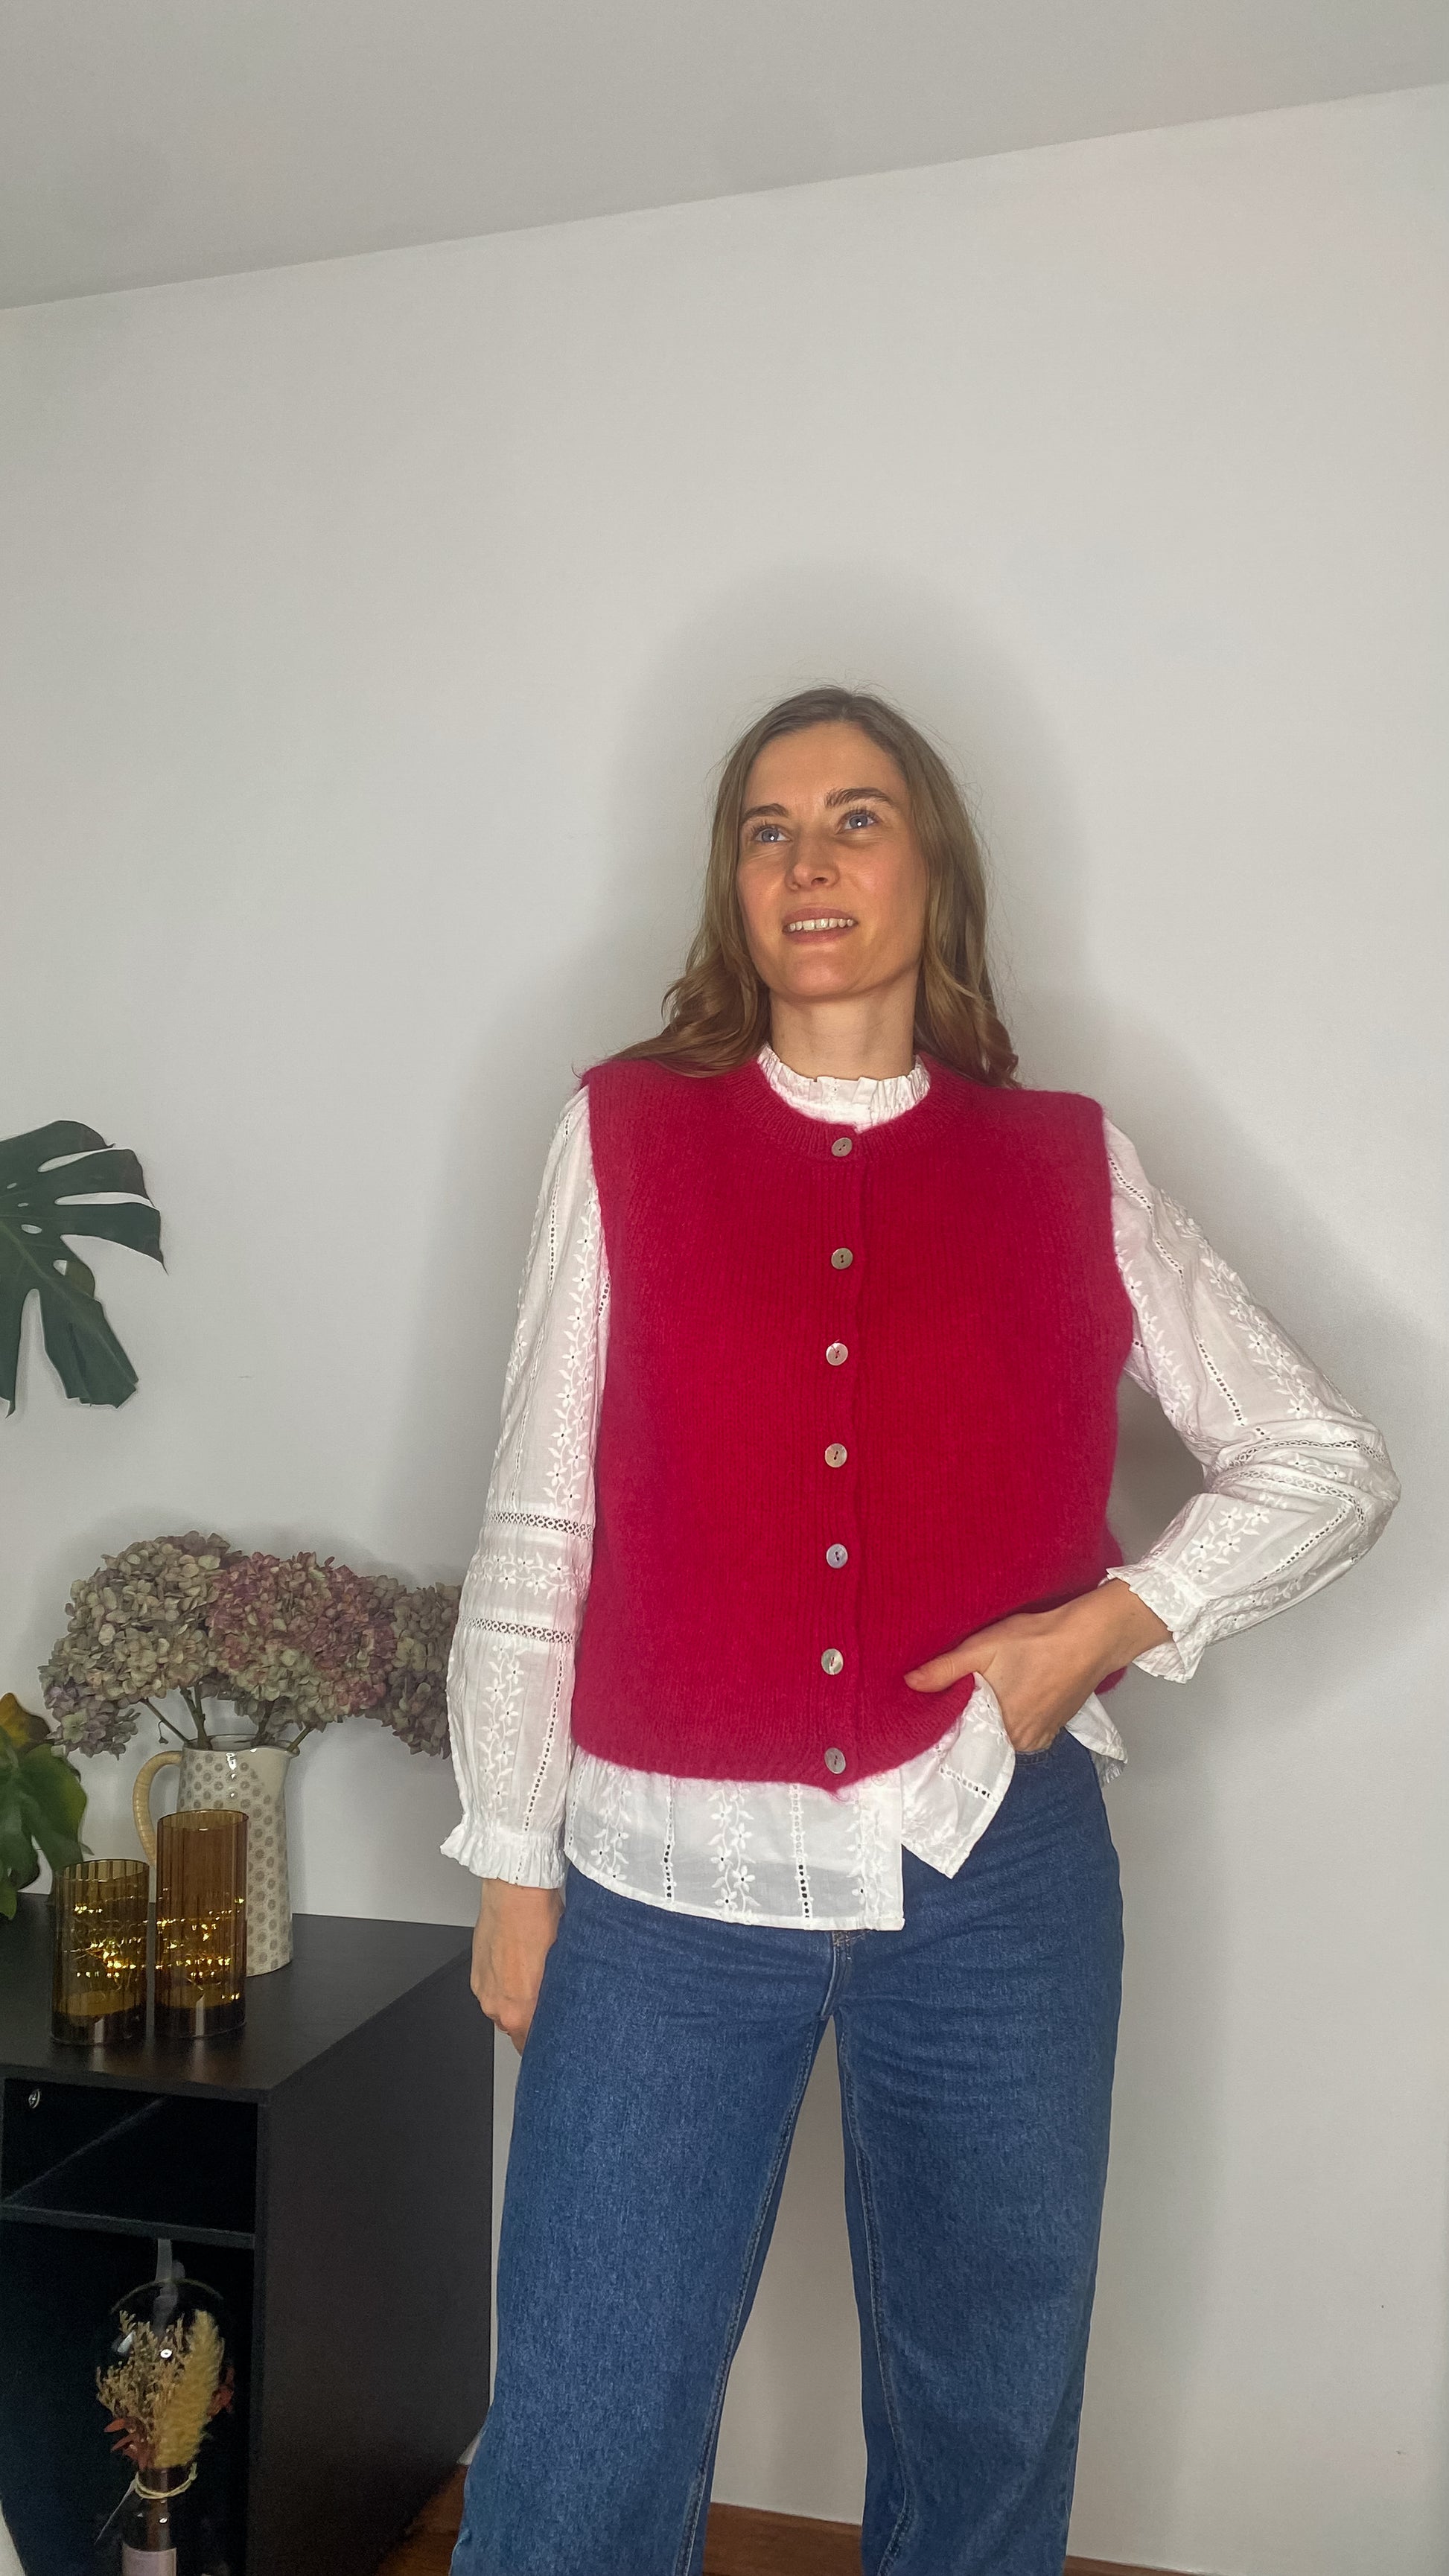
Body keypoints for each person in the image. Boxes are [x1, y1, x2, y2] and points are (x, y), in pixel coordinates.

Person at [442, 686, 1398, 2576]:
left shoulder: (1064, 1160)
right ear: (732, 884)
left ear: (933, 866)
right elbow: (540, 1518)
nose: (808, 861)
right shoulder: (623, 1132)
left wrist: (1096, 1631)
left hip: (990, 1879)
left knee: (987, 2414)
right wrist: (511, 1863)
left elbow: (1326, 1460)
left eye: (857, 817)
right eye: (768, 827)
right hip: (659, 1884)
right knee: (583, 2419)